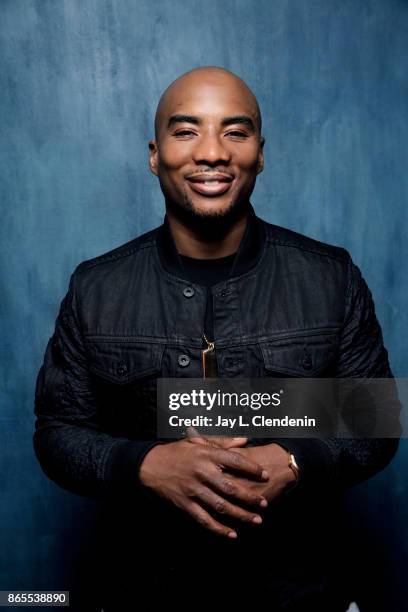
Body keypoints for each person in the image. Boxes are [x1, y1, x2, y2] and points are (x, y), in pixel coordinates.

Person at [33, 66, 399, 611]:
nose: (212, 152)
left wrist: (296, 460)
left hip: (302, 594)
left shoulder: (331, 276)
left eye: (235, 131)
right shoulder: (96, 287)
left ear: (260, 151)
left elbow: (376, 419)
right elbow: (57, 431)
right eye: (187, 131)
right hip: (142, 594)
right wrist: (144, 464)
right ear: (155, 154)